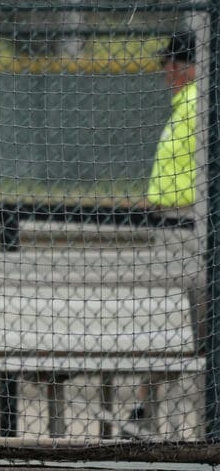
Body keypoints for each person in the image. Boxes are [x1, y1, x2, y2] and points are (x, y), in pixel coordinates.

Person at [119, 30, 198, 439]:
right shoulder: (185, 104)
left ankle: (148, 413)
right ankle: (144, 412)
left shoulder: (200, 101)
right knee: (172, 323)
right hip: (173, 226)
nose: (165, 72)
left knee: (185, 326)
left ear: (185, 65)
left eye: (170, 63)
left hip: (192, 229)